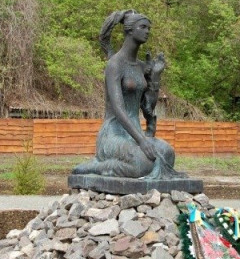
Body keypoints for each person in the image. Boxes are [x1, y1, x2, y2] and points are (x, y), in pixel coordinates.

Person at [72, 10, 185, 179]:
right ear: (130, 30)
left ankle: (123, 164)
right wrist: (141, 140)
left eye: (149, 28)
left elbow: (148, 106)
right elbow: (118, 109)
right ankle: (96, 167)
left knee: (167, 153)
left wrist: (155, 77)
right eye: (143, 27)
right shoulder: (115, 64)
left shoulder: (141, 66)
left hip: (134, 133)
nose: (147, 31)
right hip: (113, 134)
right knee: (142, 163)